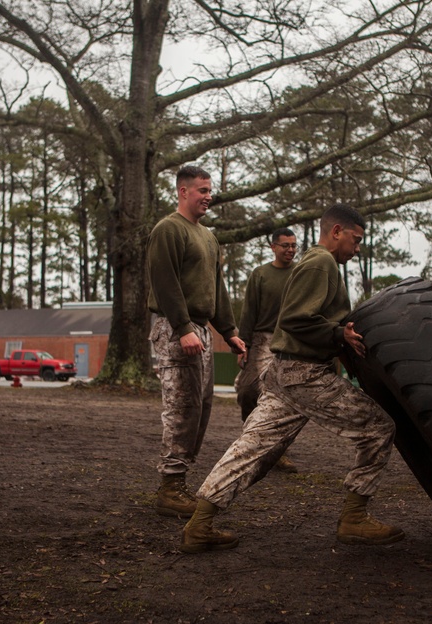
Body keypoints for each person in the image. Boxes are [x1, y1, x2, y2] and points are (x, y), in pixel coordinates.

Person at [179, 204, 403, 553]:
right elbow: (297, 319)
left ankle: (199, 525)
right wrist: (338, 334)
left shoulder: (313, 262)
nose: (357, 248)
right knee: (379, 428)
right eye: (356, 240)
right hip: (305, 374)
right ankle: (354, 516)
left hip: (284, 374)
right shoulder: (321, 263)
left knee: (253, 450)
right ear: (337, 232)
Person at [147, 165, 246, 518]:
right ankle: (170, 488)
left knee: (201, 406)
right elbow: (164, 281)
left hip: (199, 328)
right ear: (183, 192)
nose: (208, 196)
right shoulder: (168, 229)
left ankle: (179, 479)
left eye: (210, 190)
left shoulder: (207, 236)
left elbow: (215, 289)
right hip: (176, 328)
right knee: (182, 406)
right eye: (202, 190)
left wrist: (230, 331)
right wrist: (183, 326)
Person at [235, 227, 299, 473]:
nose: (290, 250)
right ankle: (250, 439)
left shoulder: (300, 274)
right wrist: (244, 344)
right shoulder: (260, 274)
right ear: (273, 247)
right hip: (261, 339)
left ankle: (276, 453)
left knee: (279, 396)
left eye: (293, 245)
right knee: (247, 390)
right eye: (285, 245)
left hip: (289, 341)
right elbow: (248, 311)